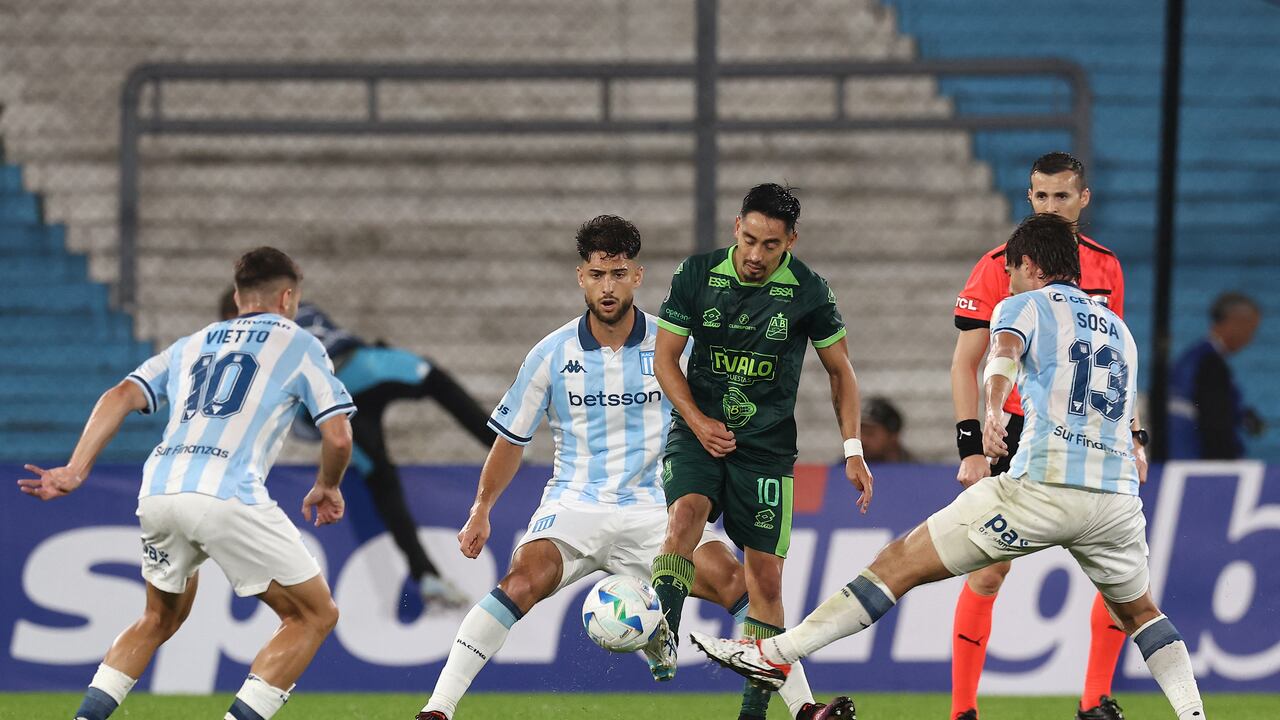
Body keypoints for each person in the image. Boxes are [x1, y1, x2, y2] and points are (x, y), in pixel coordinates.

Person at [692, 213, 1208, 720]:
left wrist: (992, 410)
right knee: (1143, 614)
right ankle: (1192, 714)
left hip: (1043, 488)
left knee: (899, 563)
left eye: (1011, 270)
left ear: (1029, 264)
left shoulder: (1024, 305)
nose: (1008, 280)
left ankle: (773, 654)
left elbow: (1003, 354)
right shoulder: (1119, 329)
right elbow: (1125, 411)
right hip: (1116, 498)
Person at [413, 215, 851, 720]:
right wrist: (481, 509)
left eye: (619, 274)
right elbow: (512, 440)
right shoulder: (550, 354)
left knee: (740, 586)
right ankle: (438, 709)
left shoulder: (675, 346)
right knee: (521, 581)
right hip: (576, 504)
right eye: (598, 275)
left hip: (659, 510)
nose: (608, 287)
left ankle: (804, 709)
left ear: (637, 276)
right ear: (581, 277)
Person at [20, 247, 355, 720]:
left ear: (237, 296)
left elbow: (120, 394)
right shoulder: (300, 343)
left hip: (159, 489)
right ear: (287, 298)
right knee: (313, 614)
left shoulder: (191, 344)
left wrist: (76, 469)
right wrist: (328, 484)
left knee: (158, 617)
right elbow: (338, 437)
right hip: (226, 493)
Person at [648, 183, 873, 720]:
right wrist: (698, 422)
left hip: (766, 450)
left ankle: (753, 714)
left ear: (790, 241)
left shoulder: (809, 291)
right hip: (699, 433)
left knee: (765, 581)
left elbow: (840, 372)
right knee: (685, 515)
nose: (755, 254)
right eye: (748, 239)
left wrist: (853, 448)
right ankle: (662, 638)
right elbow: (664, 359)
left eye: (770, 245)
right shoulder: (696, 274)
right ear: (736, 227)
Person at [950, 152, 1128, 720]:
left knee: (1116, 571)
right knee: (989, 567)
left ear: (1083, 199)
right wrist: (971, 446)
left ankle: (1095, 702)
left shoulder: (1107, 267)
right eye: (1041, 196)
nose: (1051, 206)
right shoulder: (998, 266)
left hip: (1085, 427)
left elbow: (1115, 361)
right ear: (1029, 198)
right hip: (1014, 427)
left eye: (1062, 196)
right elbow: (967, 363)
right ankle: (962, 711)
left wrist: (1135, 433)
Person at [219, 289, 496, 608]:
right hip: (363, 369)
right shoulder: (290, 309)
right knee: (434, 380)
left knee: (380, 477)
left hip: (334, 399)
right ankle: (501, 444)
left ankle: (425, 574)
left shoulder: (247, 342)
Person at [1168, 292, 1264, 459]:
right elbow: (1215, 421)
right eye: (1251, 329)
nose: (1250, 338)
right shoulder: (1209, 363)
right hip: (1196, 459)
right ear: (1235, 322)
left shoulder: (1194, 357)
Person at [860, 396, 913, 463]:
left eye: (870, 433)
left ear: (892, 436)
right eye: (859, 432)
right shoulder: (849, 466)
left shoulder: (913, 467)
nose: (863, 440)